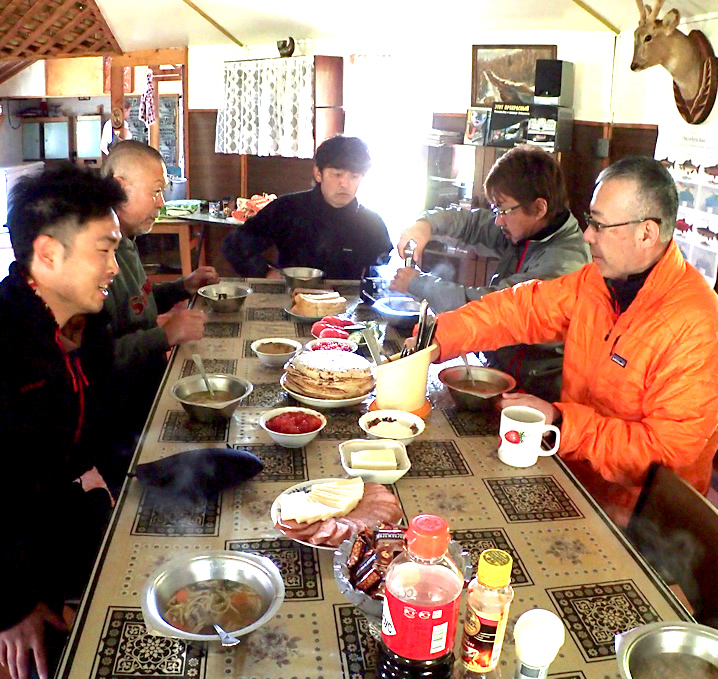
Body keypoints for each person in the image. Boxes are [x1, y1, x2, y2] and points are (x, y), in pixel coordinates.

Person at [428, 156, 718, 526]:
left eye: (599, 225)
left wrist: (562, 423)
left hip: (646, 524)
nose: (586, 236)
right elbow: (520, 309)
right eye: (589, 220)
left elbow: (666, 457)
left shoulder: (694, 322)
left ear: (646, 233)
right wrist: (437, 338)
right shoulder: (597, 281)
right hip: (576, 481)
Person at [0, 165, 124, 679]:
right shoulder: (7, 341)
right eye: (105, 249)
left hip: (49, 533)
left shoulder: (70, 328)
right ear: (49, 253)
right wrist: (11, 608)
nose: (115, 266)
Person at [392, 145, 590, 401]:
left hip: (537, 390)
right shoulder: (529, 226)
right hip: (499, 367)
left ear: (540, 208)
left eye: (503, 210)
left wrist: (417, 283)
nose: (498, 220)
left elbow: (489, 307)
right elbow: (471, 222)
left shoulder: (564, 263)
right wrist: (424, 225)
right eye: (496, 209)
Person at [101, 141, 219, 486]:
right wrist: (165, 335)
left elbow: (140, 303)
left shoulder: (125, 240)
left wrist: (183, 286)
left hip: (146, 386)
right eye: (155, 192)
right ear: (122, 187)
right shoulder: (101, 254)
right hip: (120, 411)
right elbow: (96, 358)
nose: (162, 204)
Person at [221, 135, 392, 279]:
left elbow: (380, 267)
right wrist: (265, 273)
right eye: (337, 175)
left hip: (346, 308)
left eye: (354, 176)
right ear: (318, 173)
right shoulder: (288, 208)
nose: (345, 184)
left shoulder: (371, 223)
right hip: (293, 299)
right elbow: (235, 244)